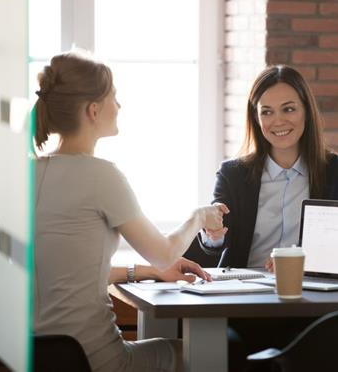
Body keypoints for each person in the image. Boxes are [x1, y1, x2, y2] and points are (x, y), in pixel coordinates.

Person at [33, 51, 229, 372]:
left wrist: (148, 272)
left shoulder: (26, 172)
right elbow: (164, 254)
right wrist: (199, 217)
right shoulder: (101, 175)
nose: (119, 106)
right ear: (93, 110)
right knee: (201, 353)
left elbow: (69, 273)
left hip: (44, 359)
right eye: (114, 97)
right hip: (98, 361)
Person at [190, 64, 338, 270]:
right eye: (266, 112)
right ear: (256, 118)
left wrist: (294, 260)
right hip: (245, 288)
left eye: (289, 109)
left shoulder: (335, 170)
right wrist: (212, 234)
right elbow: (216, 244)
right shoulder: (233, 174)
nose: (278, 121)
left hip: (310, 287)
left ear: (306, 111)